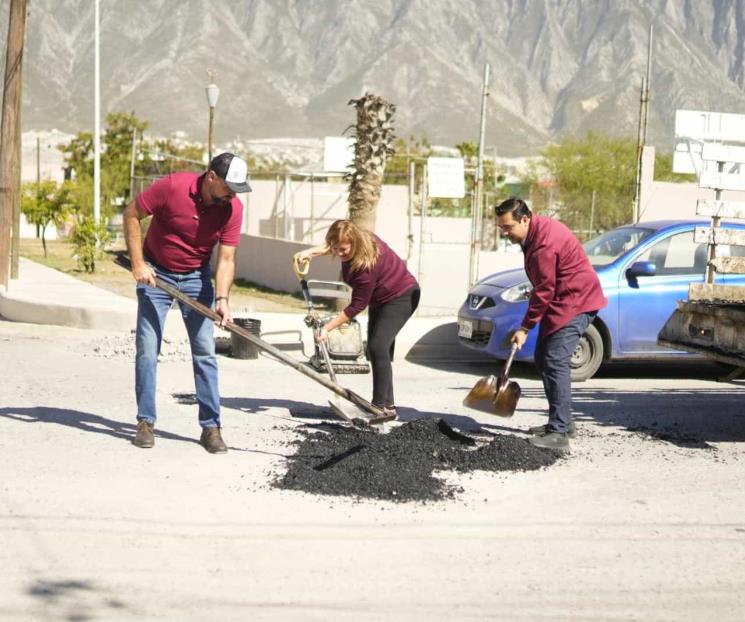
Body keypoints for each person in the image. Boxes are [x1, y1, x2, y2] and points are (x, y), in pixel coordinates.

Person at [123, 152, 251, 453]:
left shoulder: (232, 209)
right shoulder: (172, 186)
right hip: (156, 274)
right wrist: (138, 264)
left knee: (205, 351)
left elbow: (227, 258)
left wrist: (222, 298)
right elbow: (131, 214)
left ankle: (211, 428)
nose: (232, 195)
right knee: (147, 349)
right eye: (228, 187)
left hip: (196, 279)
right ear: (211, 177)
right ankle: (145, 422)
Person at [495, 197, 607, 451]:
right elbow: (545, 288)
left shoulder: (543, 243)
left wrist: (524, 328)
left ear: (525, 219)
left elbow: (544, 290)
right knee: (544, 358)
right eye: (501, 227)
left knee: (555, 360)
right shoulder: (534, 233)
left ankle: (559, 434)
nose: (504, 232)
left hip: (577, 302)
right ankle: (562, 423)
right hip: (564, 301)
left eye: (508, 227)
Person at [295, 220, 420, 420]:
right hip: (381, 298)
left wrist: (328, 328)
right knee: (378, 350)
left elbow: (357, 306)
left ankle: (379, 408)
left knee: (378, 347)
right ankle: (388, 406)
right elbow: (334, 244)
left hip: (401, 296)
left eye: (344, 250)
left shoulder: (366, 267)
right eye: (337, 249)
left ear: (355, 244)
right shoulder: (356, 239)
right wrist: (311, 252)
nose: (340, 254)